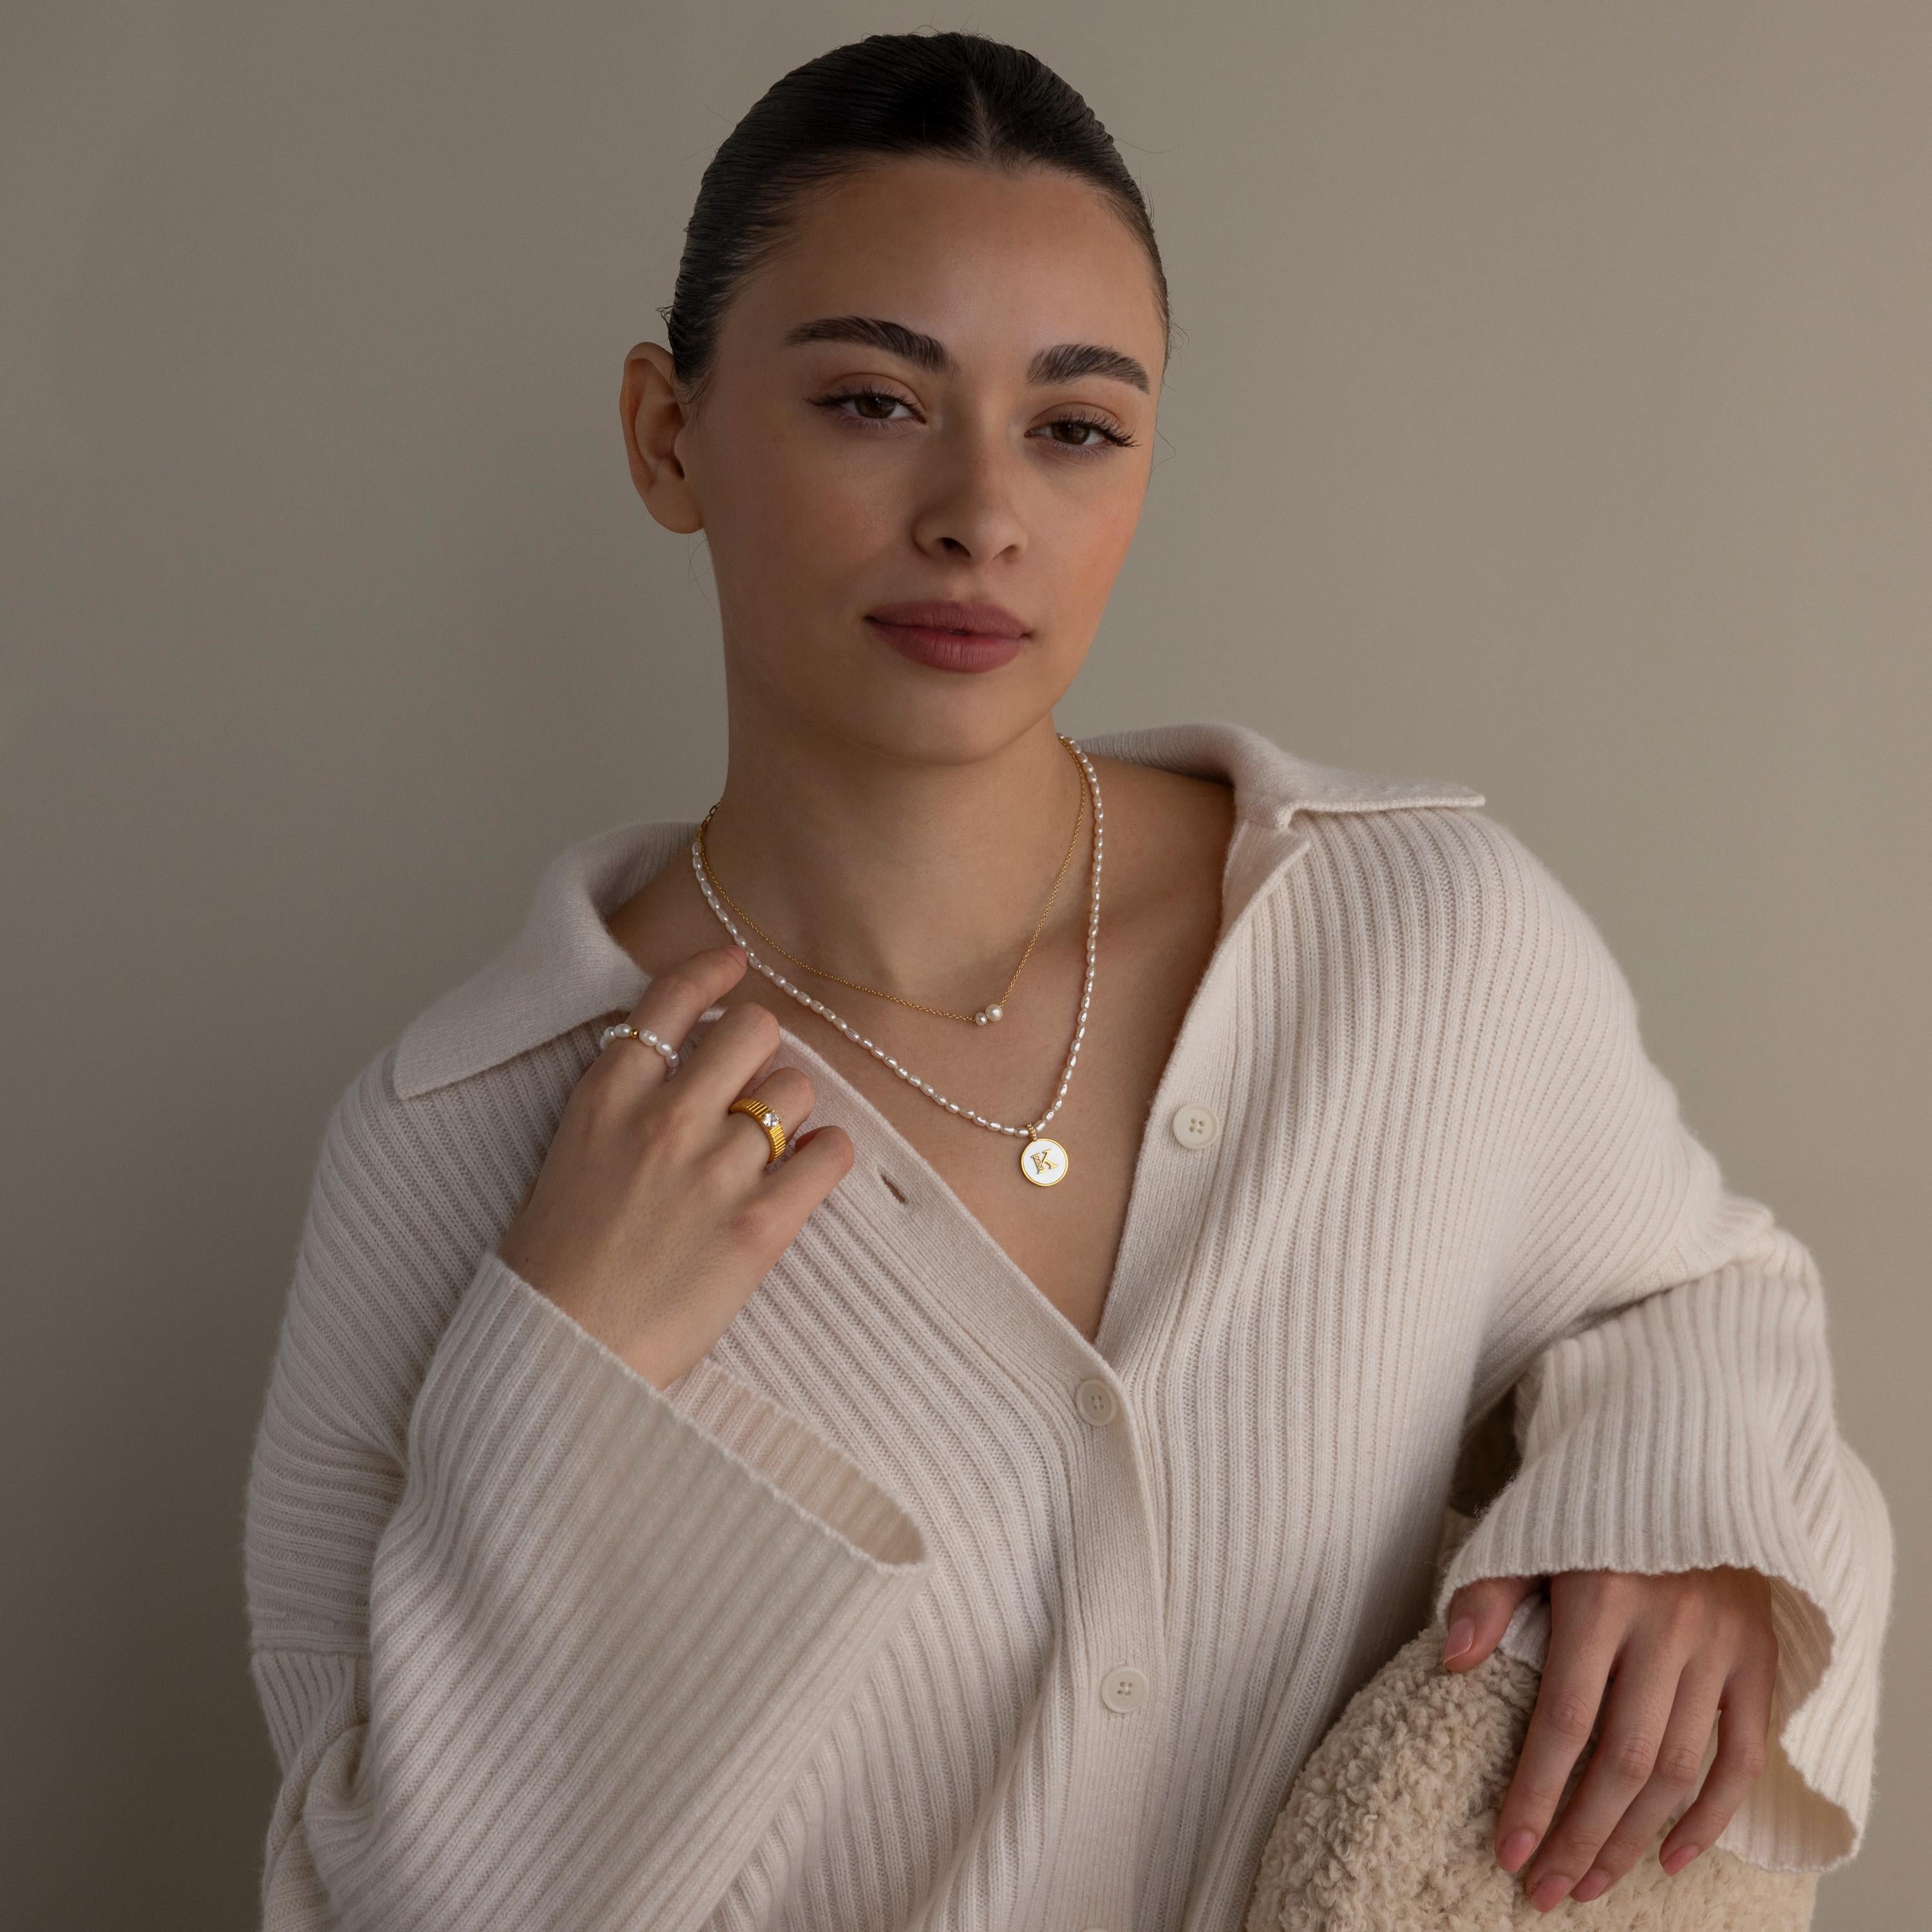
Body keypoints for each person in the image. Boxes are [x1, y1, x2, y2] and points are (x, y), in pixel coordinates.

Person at [242, 29, 1892, 1932]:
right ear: (665, 435)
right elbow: (379, 1901)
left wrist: (1679, 1531)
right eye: (874, 401)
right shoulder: (456, 1147)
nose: (980, 512)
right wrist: (567, 1386)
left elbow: (1703, 1295)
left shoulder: (1419, 941)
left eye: (1076, 426)